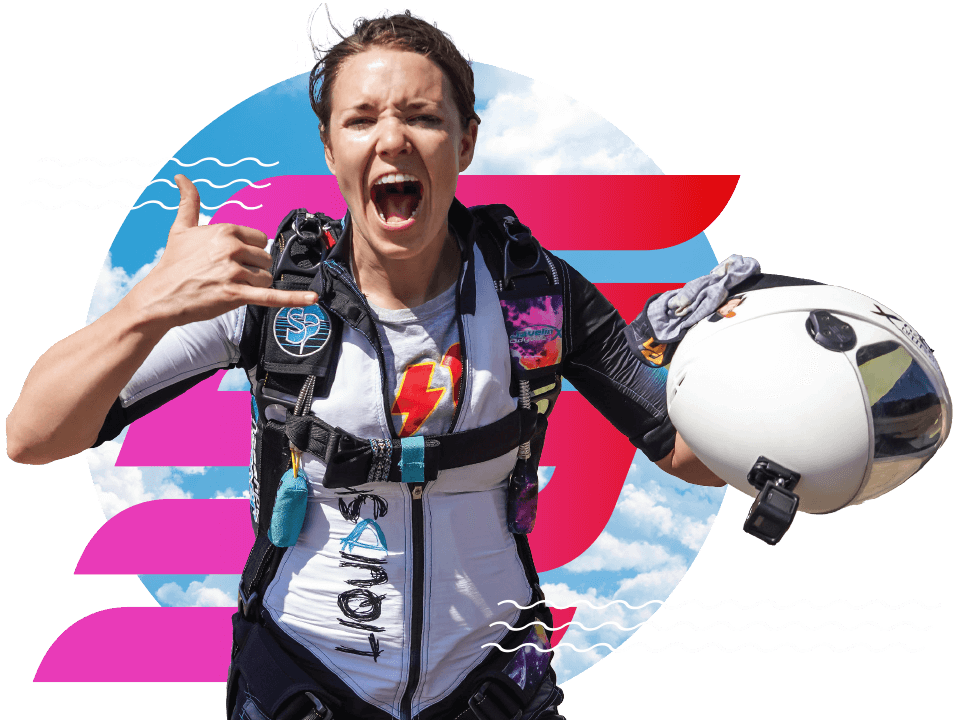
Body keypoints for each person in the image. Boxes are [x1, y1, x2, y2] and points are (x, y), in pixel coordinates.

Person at [7, 9, 725, 719]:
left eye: (423, 116)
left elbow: (685, 450)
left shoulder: (535, 295)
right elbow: (34, 437)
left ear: (466, 141)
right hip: (299, 672)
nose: (392, 140)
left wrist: (769, 380)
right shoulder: (265, 291)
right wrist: (148, 305)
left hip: (499, 675)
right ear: (328, 147)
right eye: (360, 120)